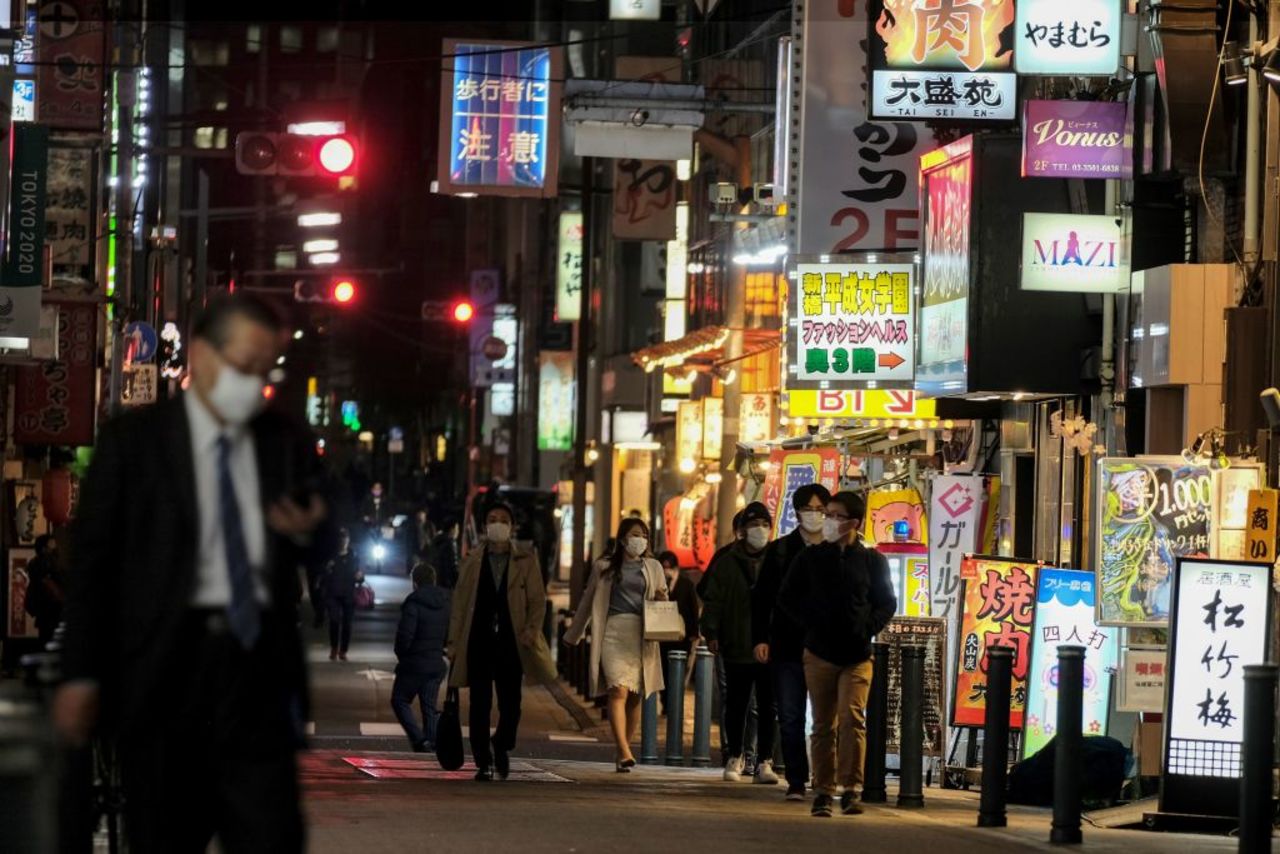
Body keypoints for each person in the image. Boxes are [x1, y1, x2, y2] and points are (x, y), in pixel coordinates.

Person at [55, 294, 334, 853]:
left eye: (264, 370)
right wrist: (81, 674)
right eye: (243, 366)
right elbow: (94, 566)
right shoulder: (135, 443)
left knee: (270, 834)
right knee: (163, 833)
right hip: (163, 671)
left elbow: (324, 534)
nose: (253, 383)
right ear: (202, 356)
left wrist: (308, 526)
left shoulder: (284, 439)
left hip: (256, 673)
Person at [778, 491, 896, 818]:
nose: (828, 521)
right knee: (822, 724)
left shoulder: (872, 560)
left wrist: (867, 627)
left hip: (858, 654)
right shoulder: (811, 558)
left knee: (852, 719)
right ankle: (823, 791)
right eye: (827, 514)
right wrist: (810, 626)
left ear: (854, 523)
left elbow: (887, 602)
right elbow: (786, 597)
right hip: (819, 653)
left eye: (835, 516)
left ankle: (850, 789)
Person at [446, 501, 555, 781]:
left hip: (512, 641)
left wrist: (532, 629)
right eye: (492, 519)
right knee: (479, 704)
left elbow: (537, 601)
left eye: (503, 520)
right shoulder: (472, 561)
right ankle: (483, 761)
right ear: (484, 527)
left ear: (512, 527)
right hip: (478, 639)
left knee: (511, 704)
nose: (497, 524)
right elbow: (460, 604)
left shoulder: (526, 561)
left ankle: (502, 743)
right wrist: (454, 642)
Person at [565, 517, 667, 772]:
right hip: (612, 632)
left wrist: (661, 596)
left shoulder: (653, 566)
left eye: (643, 535)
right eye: (634, 534)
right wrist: (573, 634)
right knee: (617, 690)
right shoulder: (604, 567)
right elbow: (588, 601)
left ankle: (624, 749)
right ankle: (622, 750)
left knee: (635, 695)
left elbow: (663, 598)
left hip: (642, 634)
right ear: (623, 538)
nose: (639, 539)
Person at [752, 483, 832, 801]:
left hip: (827, 647)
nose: (815, 515)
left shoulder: (838, 549)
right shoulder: (780, 550)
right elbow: (761, 599)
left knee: (827, 717)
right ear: (797, 512)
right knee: (790, 715)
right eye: (809, 509)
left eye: (821, 509)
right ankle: (797, 780)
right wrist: (760, 639)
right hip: (786, 646)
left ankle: (824, 778)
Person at [700, 502, 778, 785]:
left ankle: (765, 761)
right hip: (736, 644)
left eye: (765, 524)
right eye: (754, 524)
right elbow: (713, 600)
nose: (760, 530)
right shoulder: (726, 562)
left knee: (769, 706)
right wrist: (711, 633)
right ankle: (735, 755)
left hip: (771, 646)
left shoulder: (779, 560)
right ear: (743, 530)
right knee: (736, 704)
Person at [392, 563, 450, 752]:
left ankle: (419, 740)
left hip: (415, 663)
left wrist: (402, 655)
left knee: (400, 700)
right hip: (435, 663)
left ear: (415, 583)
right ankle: (431, 743)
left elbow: (404, 637)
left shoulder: (414, 603)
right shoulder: (445, 602)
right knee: (429, 704)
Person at [656, 550, 700, 714]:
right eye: (663, 566)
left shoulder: (686, 584)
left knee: (679, 670)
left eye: (669, 566)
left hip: (681, 635)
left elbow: (693, 608)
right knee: (663, 670)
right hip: (660, 634)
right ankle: (666, 702)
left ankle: (674, 703)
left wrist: (694, 631)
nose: (666, 570)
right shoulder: (657, 583)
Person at [322, 528, 361, 661]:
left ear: (348, 540)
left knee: (347, 624)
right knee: (334, 621)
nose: (343, 541)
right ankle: (334, 648)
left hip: (349, 594)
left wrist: (360, 577)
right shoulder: (331, 556)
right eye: (341, 539)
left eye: (345, 539)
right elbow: (323, 575)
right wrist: (327, 569)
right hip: (333, 593)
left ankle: (343, 650)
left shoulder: (353, 556)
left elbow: (359, 576)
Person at [24, 534, 65, 645]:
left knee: (46, 639)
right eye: (51, 544)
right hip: (50, 610)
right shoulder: (46, 563)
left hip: (46, 612)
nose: (55, 546)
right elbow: (53, 584)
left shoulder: (39, 563)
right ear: (44, 548)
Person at [430, 516, 461, 589]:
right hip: (448, 583)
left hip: (437, 580)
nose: (458, 531)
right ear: (451, 529)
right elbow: (454, 566)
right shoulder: (451, 543)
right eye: (457, 528)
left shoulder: (437, 541)